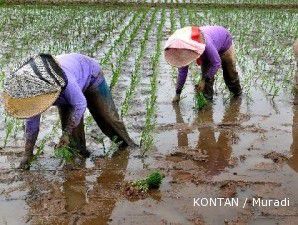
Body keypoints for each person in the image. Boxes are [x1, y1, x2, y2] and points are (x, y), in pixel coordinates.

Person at [3, 53, 135, 169]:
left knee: (107, 118)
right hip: (65, 95)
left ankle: (129, 147)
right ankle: (80, 155)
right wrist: (27, 153)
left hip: (90, 75)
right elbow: (32, 125)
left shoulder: (66, 82)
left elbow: (80, 104)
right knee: (72, 139)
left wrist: (66, 132)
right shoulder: (33, 92)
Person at [164, 26, 242, 102]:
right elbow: (182, 73)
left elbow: (216, 63)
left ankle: (238, 96)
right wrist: (178, 93)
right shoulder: (182, 51)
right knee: (207, 77)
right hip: (207, 48)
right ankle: (207, 102)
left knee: (230, 73)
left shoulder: (206, 44)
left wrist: (203, 80)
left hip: (224, 42)